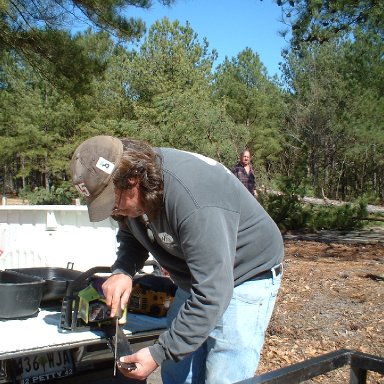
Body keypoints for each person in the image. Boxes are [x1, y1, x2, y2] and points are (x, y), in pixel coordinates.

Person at [71, 135, 284, 384]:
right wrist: (123, 270)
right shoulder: (134, 190)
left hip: (245, 273)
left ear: (132, 180)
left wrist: (158, 352)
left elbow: (212, 293)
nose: (114, 212)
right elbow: (131, 232)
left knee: (223, 377)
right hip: (197, 277)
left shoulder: (194, 199)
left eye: (113, 203)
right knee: (177, 372)